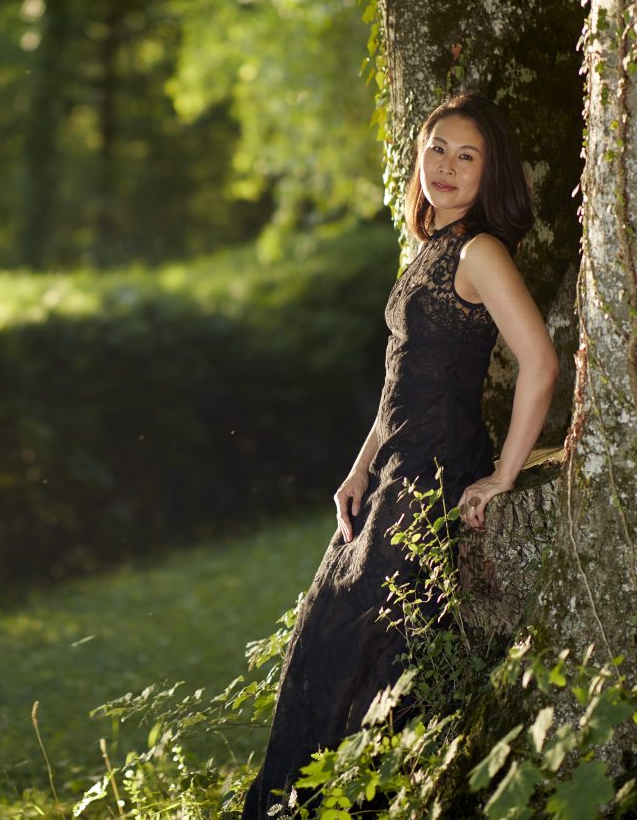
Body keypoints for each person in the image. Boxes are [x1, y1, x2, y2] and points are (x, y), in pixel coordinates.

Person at [240, 92, 560, 819]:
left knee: (367, 663)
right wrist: (359, 468)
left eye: (466, 156)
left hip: (430, 476)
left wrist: (503, 476)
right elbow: (403, 382)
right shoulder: (431, 250)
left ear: (490, 173)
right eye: (436, 149)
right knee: (324, 649)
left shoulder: (479, 251)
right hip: (390, 476)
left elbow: (541, 362)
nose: (445, 166)